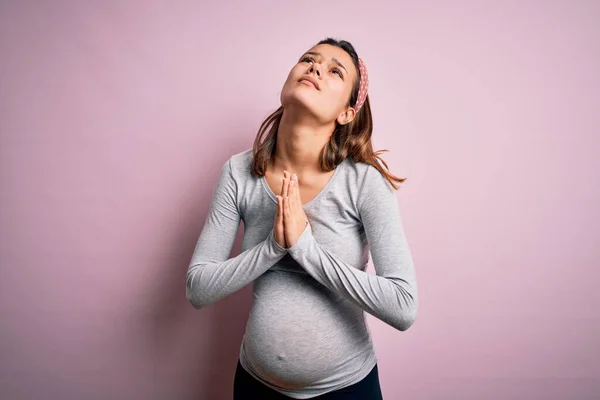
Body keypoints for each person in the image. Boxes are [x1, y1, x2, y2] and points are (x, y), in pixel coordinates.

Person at [186, 37, 419, 399]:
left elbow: (403, 305)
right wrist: (273, 248)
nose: (314, 68)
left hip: (346, 390)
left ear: (346, 113)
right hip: (255, 386)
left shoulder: (364, 182)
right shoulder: (238, 172)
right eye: (308, 60)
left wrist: (306, 249)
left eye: (334, 71)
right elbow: (198, 288)